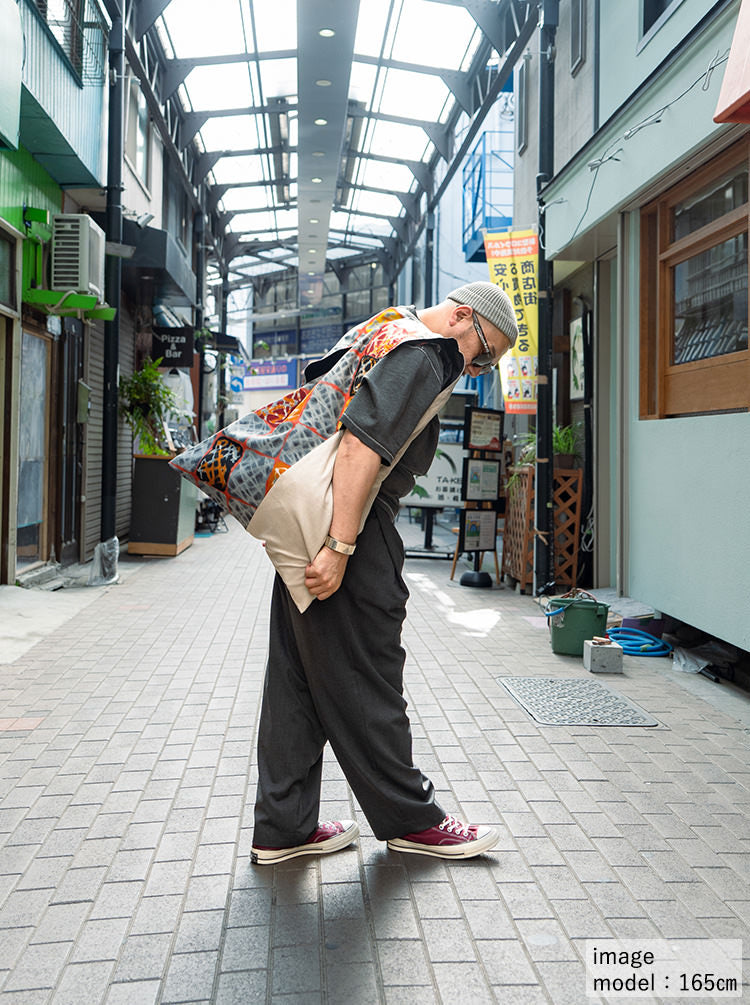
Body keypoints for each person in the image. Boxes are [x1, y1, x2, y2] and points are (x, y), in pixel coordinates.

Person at [250, 282, 519, 865]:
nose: (475, 370)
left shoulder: (387, 327)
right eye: (484, 354)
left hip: (309, 516)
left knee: (296, 679)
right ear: (462, 316)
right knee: (370, 670)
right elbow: (360, 447)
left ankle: (283, 826)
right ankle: (412, 820)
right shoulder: (428, 353)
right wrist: (340, 546)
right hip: (352, 521)